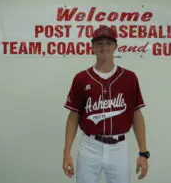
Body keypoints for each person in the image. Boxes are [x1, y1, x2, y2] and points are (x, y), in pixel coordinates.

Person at [62, 25, 149, 183]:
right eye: (99, 43)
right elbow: (73, 117)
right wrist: (67, 152)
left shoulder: (129, 78)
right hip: (89, 146)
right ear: (93, 46)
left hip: (119, 148)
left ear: (116, 46)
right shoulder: (81, 78)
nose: (104, 47)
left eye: (108, 43)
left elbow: (137, 115)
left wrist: (143, 153)